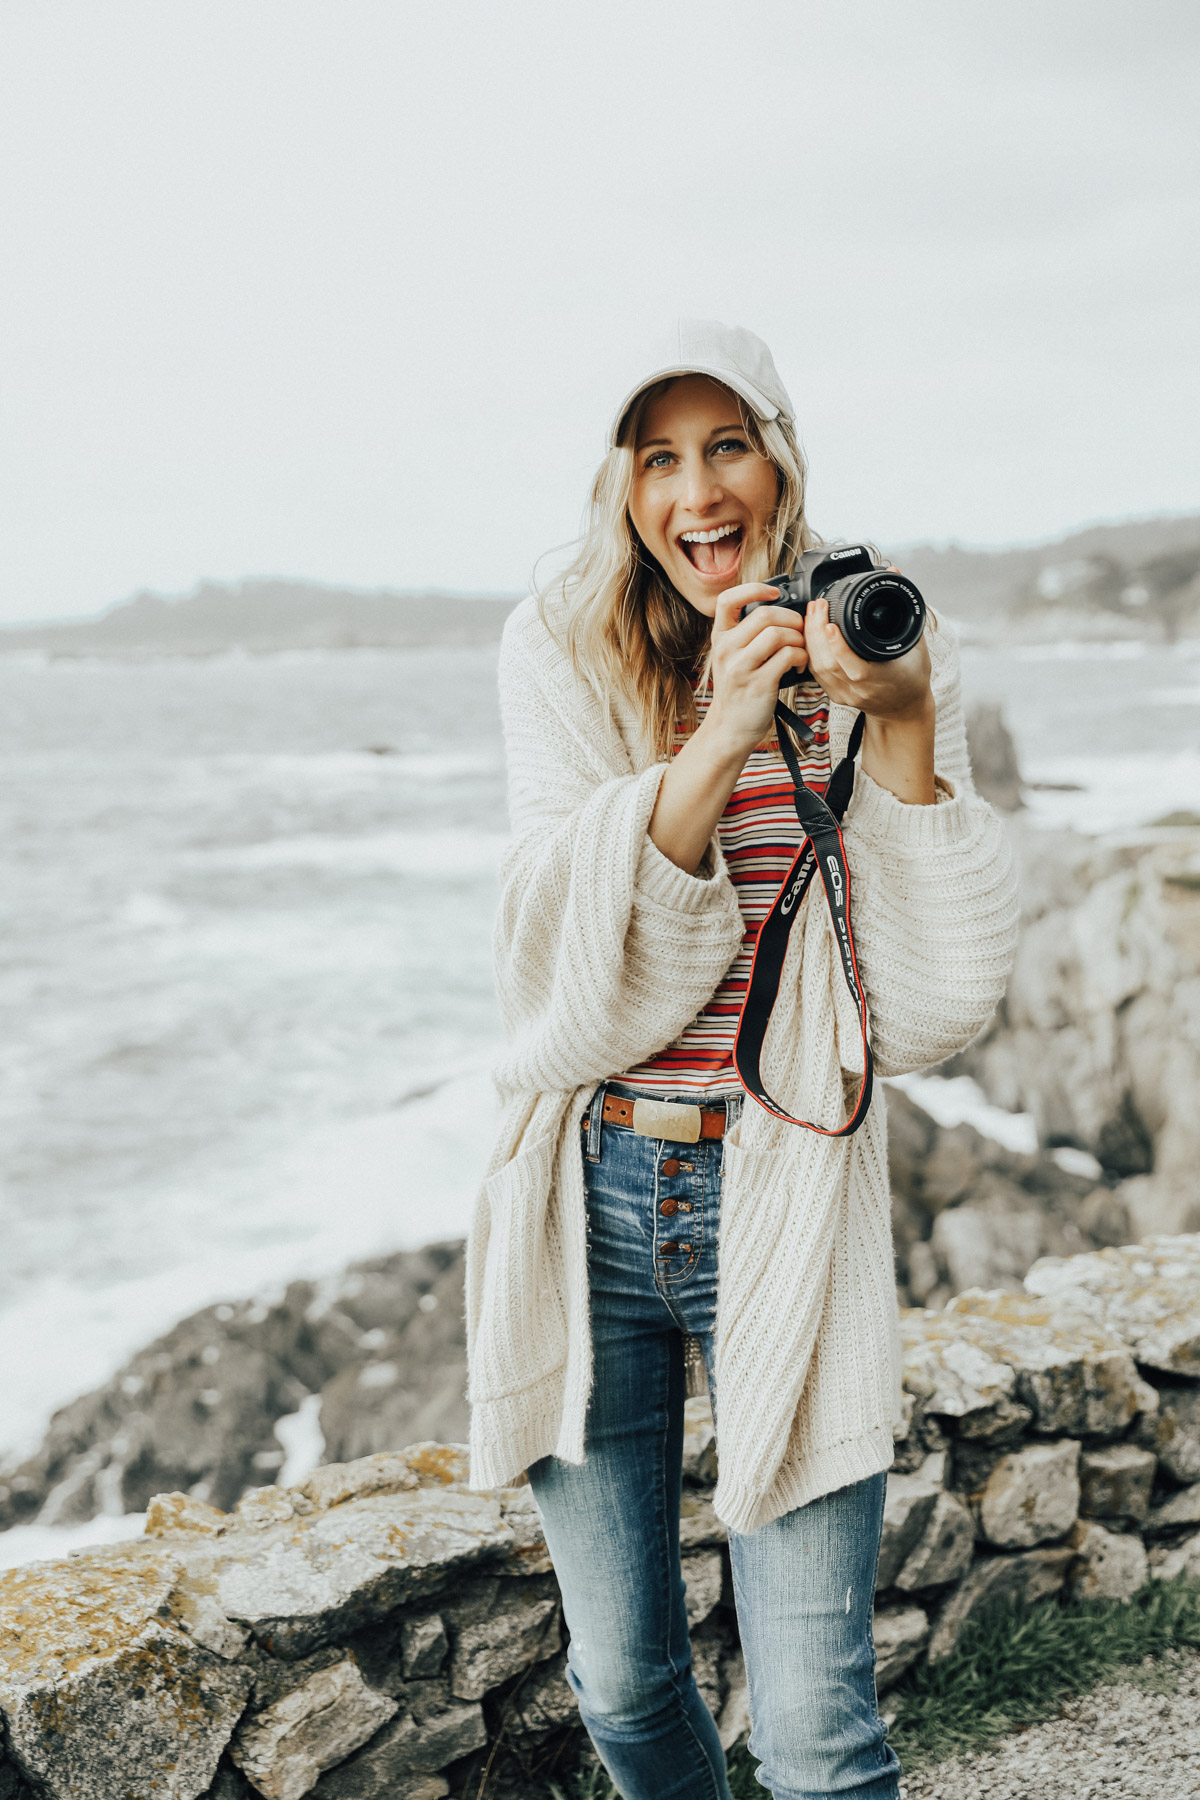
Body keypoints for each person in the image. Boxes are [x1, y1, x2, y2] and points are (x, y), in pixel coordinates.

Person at [466, 319, 1019, 1800]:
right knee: (625, 1682)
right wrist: (717, 735)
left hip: (786, 1197)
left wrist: (893, 730)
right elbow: (565, 981)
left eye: (728, 445)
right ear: (622, 481)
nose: (697, 489)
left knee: (819, 1746)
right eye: (659, 455)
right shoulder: (560, 643)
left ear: (780, 458)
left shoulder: (884, 637)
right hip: (590, 1199)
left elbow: (934, 1005)